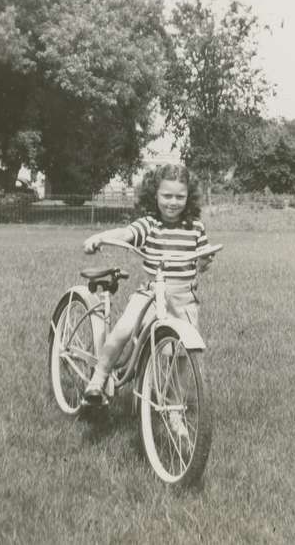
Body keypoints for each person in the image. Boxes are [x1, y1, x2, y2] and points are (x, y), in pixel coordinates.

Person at [82, 163, 214, 434]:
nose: (173, 202)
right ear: (155, 195)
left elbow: (202, 258)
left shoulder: (195, 228)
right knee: (123, 330)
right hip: (152, 293)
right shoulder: (150, 225)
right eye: (167, 195)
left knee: (180, 358)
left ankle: (175, 410)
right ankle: (98, 378)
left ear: (189, 197)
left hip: (184, 300)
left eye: (180, 196)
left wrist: (205, 259)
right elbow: (126, 234)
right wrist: (100, 237)